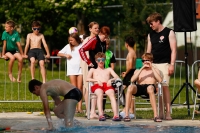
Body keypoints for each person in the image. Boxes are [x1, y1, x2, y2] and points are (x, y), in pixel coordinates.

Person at [146, 12, 177, 120]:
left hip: (165, 64)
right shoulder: (150, 35)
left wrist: (172, 64)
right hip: (154, 65)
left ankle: (168, 112)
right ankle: (160, 112)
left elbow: (173, 50)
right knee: (156, 89)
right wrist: (146, 63)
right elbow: (148, 51)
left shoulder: (169, 32)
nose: (151, 26)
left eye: (152, 23)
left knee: (164, 87)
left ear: (158, 21)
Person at [79, 25, 110, 118]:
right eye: (105, 35)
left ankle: (95, 111)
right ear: (100, 33)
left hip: (100, 69)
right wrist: (88, 62)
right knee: (92, 89)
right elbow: (81, 50)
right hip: (93, 68)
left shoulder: (103, 43)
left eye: (107, 36)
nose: (106, 38)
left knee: (99, 89)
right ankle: (90, 111)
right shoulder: (94, 40)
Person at [124, 53, 162, 122]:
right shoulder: (138, 70)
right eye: (143, 61)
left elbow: (160, 80)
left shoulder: (155, 70)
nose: (145, 62)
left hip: (150, 87)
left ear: (151, 61)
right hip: (140, 87)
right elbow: (132, 80)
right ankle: (127, 114)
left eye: (147, 60)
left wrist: (152, 67)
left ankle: (156, 116)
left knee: (150, 88)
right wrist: (142, 68)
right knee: (130, 87)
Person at [86, 52, 121, 121]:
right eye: (99, 60)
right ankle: (101, 114)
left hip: (106, 85)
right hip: (97, 85)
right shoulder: (93, 70)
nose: (101, 61)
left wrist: (111, 80)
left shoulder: (108, 69)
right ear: (96, 61)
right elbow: (87, 78)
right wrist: (96, 80)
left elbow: (116, 77)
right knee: (100, 93)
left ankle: (116, 115)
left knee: (112, 93)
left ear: (104, 60)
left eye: (102, 60)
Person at [57, 33, 83, 113]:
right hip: (71, 69)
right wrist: (65, 55)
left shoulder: (81, 45)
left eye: (72, 40)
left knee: (80, 88)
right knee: (74, 88)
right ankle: (73, 107)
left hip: (80, 69)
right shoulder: (68, 46)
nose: (70, 42)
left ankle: (80, 107)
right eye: (69, 40)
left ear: (76, 39)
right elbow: (59, 53)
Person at [120, 36, 136, 118]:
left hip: (130, 73)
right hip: (131, 73)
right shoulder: (133, 52)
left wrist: (125, 73)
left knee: (122, 88)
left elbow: (130, 66)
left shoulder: (130, 53)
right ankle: (128, 109)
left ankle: (128, 109)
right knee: (128, 91)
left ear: (126, 44)